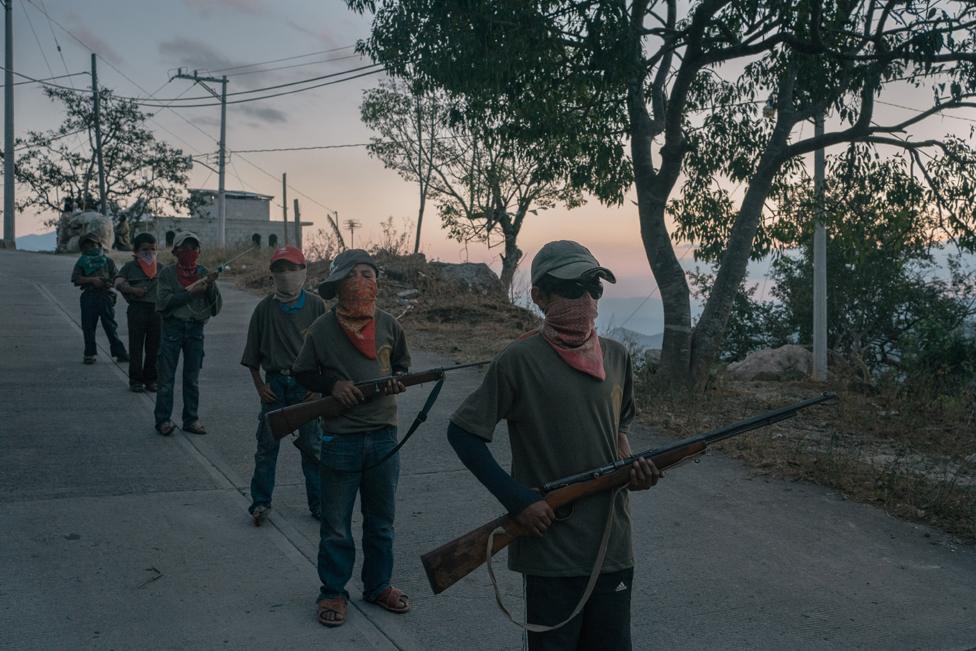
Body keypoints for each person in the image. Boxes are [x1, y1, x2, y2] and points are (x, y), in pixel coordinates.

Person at [447, 240, 662, 651]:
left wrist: (633, 470)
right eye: (572, 287)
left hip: (612, 543)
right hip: (551, 548)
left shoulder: (616, 356)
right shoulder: (518, 361)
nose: (585, 299)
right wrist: (518, 501)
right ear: (540, 297)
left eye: (594, 288)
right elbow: (463, 434)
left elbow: (620, 427)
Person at [292, 249, 411, 628]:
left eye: (368, 273)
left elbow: (403, 365)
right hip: (340, 438)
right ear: (339, 284)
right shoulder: (322, 329)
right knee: (337, 525)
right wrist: (334, 385)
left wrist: (397, 379)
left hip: (383, 437)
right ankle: (333, 591)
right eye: (354, 274)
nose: (362, 281)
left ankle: (378, 586)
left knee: (381, 522)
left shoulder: (390, 324)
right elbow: (304, 372)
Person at [241, 245, 326, 526]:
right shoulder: (264, 309)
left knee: (313, 447)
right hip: (275, 385)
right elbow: (252, 356)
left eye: (291, 269)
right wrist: (259, 386)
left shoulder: (316, 306)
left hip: (307, 386)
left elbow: (328, 353)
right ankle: (260, 503)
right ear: (272, 274)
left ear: (303, 272)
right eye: (279, 270)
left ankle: (318, 504)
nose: (286, 275)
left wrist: (320, 388)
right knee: (266, 447)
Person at [154, 232, 222, 436]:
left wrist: (209, 287)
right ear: (175, 251)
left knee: (192, 378)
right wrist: (189, 293)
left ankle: (191, 419)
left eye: (194, 248)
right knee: (166, 378)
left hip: (195, 330)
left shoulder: (203, 272)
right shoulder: (166, 274)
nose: (189, 252)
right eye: (185, 248)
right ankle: (163, 420)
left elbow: (216, 307)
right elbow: (163, 303)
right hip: (172, 328)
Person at [71, 231, 129, 365]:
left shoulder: (107, 261)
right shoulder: (82, 262)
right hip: (89, 296)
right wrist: (92, 280)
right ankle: (89, 354)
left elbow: (117, 278)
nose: (90, 248)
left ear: (99, 245)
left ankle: (119, 353)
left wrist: (108, 282)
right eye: (86, 246)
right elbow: (75, 279)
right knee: (88, 327)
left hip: (105, 296)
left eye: (93, 244)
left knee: (110, 326)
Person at [115, 232, 161, 392]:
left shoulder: (161, 268)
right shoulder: (130, 267)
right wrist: (132, 290)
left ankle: (151, 379)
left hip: (157, 312)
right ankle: (135, 380)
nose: (149, 253)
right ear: (135, 251)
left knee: (154, 348)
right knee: (136, 347)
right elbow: (118, 282)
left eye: (152, 249)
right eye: (144, 250)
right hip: (137, 309)